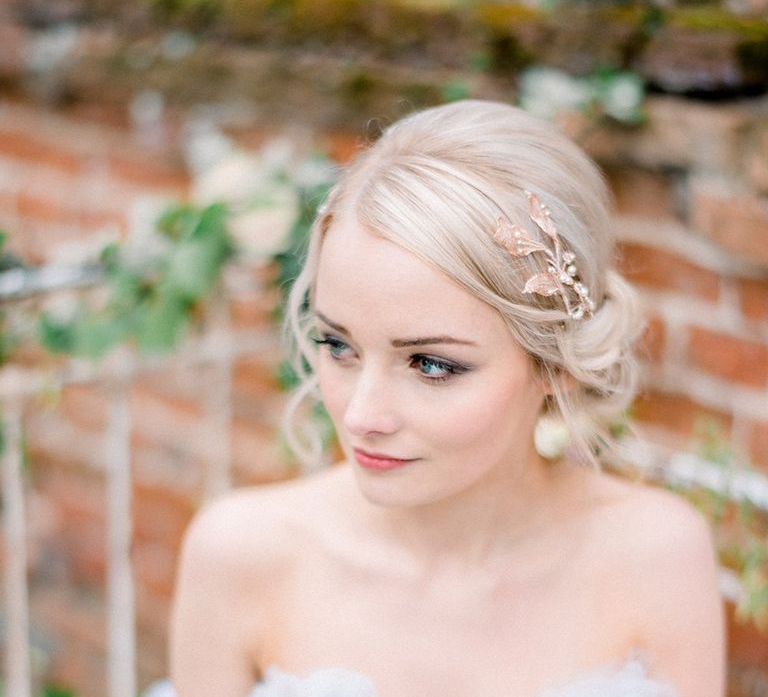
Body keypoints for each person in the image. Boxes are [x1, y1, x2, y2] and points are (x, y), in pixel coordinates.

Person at [168, 100, 725, 696]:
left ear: (557, 363)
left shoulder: (657, 556)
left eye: (431, 364)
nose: (360, 416)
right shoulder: (241, 554)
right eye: (338, 345)